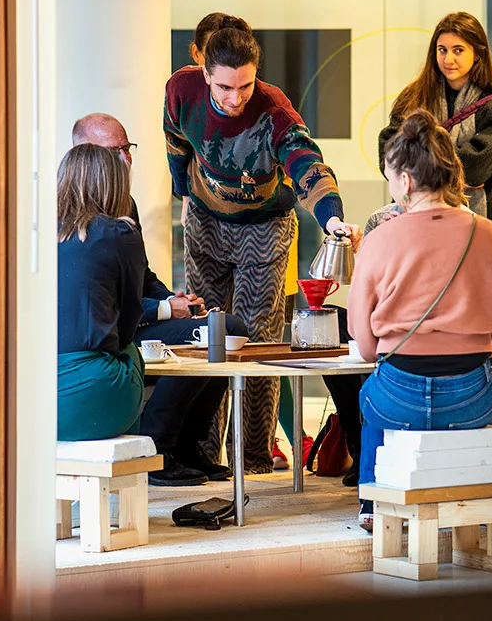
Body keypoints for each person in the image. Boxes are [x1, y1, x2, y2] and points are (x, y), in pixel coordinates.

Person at [164, 25, 362, 474]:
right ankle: (202, 452)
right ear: (204, 72)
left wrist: (331, 216)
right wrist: (184, 192)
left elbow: (308, 165)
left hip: (265, 223)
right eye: (225, 86)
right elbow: (175, 142)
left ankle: (252, 457)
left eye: (246, 85)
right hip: (206, 217)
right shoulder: (181, 90)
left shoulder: (274, 111)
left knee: (259, 337)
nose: (236, 98)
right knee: (208, 334)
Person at [350, 109, 492, 531]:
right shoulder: (490, 234)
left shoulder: (379, 238)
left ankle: (372, 504)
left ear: (404, 181)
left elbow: (366, 346)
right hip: (472, 398)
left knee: (370, 400)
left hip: (396, 397)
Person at [71, 112, 243, 485]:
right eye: (113, 151)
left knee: (224, 329)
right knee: (220, 331)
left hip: (129, 326)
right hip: (113, 336)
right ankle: (158, 445)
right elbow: (112, 308)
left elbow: (141, 278)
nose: (125, 158)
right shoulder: (73, 220)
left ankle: (185, 444)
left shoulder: (124, 205)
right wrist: (165, 309)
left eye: (126, 148)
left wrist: (175, 300)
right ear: (86, 156)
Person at [376, 12, 492, 220]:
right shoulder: (413, 99)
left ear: (477, 53)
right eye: (442, 50)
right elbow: (388, 153)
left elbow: (476, 169)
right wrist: (455, 168)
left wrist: (418, 163)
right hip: (413, 217)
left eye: (458, 50)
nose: (448, 59)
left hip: (480, 217)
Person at [56, 144, 150, 442]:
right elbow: (129, 318)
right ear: (114, 185)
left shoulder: (31, 234)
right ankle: (129, 478)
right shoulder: (119, 233)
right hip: (92, 393)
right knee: (130, 351)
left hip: (28, 398)